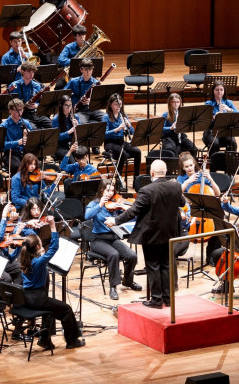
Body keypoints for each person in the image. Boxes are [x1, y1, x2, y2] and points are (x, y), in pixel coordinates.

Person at [115, 159, 182, 308]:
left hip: (151, 235)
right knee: (166, 265)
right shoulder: (176, 187)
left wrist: (116, 221)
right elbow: (182, 203)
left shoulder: (147, 190)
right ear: (165, 172)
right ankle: (168, 299)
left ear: (151, 173)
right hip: (170, 233)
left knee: (153, 266)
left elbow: (134, 211)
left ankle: (157, 300)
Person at [19, 218, 85, 349]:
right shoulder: (38, 262)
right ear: (38, 247)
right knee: (66, 310)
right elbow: (54, 247)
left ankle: (45, 340)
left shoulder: (24, 259)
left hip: (27, 297)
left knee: (50, 312)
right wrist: (52, 225)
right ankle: (72, 341)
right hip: (38, 298)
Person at [85, 179, 140, 300]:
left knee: (132, 256)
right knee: (114, 255)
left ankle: (128, 281)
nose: (111, 193)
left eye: (112, 189)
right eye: (108, 190)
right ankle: (113, 287)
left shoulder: (116, 204)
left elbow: (130, 218)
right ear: (102, 190)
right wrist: (100, 205)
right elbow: (86, 216)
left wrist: (125, 209)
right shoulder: (95, 203)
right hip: (97, 240)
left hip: (113, 238)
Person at [8, 61, 52, 130]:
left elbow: (41, 101)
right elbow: (10, 103)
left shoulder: (37, 86)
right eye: (29, 72)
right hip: (22, 115)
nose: (31, 74)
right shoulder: (14, 86)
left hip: (35, 113)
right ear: (22, 72)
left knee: (51, 125)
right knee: (33, 129)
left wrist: (36, 105)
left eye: (33, 72)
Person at [202, 80, 239, 153]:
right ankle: (215, 163)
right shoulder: (208, 104)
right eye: (217, 90)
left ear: (224, 91)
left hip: (225, 130)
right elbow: (204, 121)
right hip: (211, 131)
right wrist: (214, 117)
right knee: (215, 143)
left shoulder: (228, 103)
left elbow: (238, 115)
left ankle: (230, 162)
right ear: (213, 91)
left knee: (232, 143)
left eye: (221, 90)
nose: (219, 92)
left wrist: (229, 110)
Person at [66, 58, 103, 124]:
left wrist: (91, 100)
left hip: (93, 109)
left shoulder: (96, 82)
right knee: (82, 124)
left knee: (108, 119)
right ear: (81, 70)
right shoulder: (73, 82)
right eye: (86, 70)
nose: (88, 72)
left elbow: (100, 99)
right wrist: (72, 104)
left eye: (90, 69)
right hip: (80, 110)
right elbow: (64, 95)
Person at [2, 99, 33, 174]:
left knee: (34, 165)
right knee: (18, 167)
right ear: (10, 111)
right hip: (10, 153)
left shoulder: (26, 123)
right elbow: (2, 145)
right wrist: (18, 142)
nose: (19, 112)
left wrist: (29, 136)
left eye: (21, 110)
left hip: (24, 152)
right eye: (16, 110)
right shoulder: (4, 126)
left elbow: (33, 140)